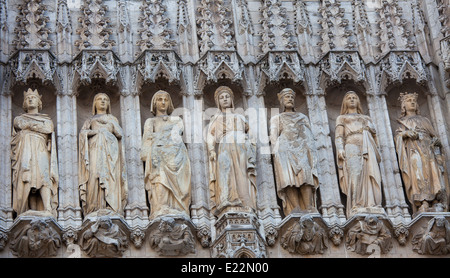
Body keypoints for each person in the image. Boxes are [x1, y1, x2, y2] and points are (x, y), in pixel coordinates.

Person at [395, 92, 449, 214]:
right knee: (418, 173)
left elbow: (435, 137)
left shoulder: (425, 120)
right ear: (403, 105)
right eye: (409, 100)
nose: (412, 102)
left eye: (414, 100)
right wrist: (406, 134)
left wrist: (436, 142)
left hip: (428, 150)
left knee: (432, 173)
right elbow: (398, 137)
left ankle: (435, 201)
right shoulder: (402, 122)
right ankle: (423, 201)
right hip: (414, 150)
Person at [140, 90, 191, 219]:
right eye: (159, 99)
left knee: (178, 182)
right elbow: (146, 143)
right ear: (154, 103)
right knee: (159, 179)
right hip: (158, 158)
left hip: (175, 157)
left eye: (165, 99)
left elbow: (176, 136)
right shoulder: (150, 122)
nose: (163, 102)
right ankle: (160, 206)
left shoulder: (176, 120)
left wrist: (157, 137)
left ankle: (178, 207)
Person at [206, 86, 257, 216]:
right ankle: (227, 201)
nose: (224, 99)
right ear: (218, 102)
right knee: (226, 172)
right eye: (221, 97)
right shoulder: (216, 118)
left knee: (241, 174)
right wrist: (211, 149)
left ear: (232, 99)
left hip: (241, 147)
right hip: (224, 146)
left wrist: (250, 141)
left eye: (227, 97)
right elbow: (210, 136)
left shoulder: (239, 116)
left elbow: (250, 130)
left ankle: (245, 202)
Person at [269, 88, 319, 216]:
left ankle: (309, 206)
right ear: (281, 101)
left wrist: (309, 150)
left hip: (301, 148)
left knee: (305, 175)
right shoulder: (277, 118)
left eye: (291, 97)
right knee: (288, 178)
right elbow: (273, 136)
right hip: (285, 149)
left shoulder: (302, 117)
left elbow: (309, 135)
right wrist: (277, 151)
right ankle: (295, 207)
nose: (290, 99)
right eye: (286, 97)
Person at [11, 88, 59, 217]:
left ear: (39, 102)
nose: (30, 99)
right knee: (27, 178)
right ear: (24, 104)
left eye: (33, 98)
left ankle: (47, 208)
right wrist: (37, 127)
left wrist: (29, 126)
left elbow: (48, 128)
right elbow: (19, 124)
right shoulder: (19, 118)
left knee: (43, 177)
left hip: (40, 150)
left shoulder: (47, 119)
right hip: (25, 151)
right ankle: (26, 209)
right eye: (27, 98)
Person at [79, 93, 128, 216]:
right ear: (94, 103)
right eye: (99, 99)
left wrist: (109, 125)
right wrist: (96, 131)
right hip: (94, 151)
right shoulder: (90, 120)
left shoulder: (112, 119)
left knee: (110, 177)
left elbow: (120, 134)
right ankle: (94, 207)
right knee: (94, 175)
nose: (102, 101)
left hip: (110, 154)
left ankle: (111, 207)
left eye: (105, 99)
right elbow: (82, 134)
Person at [335, 91, 382, 217]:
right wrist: (340, 148)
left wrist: (372, 136)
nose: (352, 100)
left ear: (358, 101)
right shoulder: (342, 118)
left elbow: (375, 136)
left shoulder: (366, 118)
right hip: (351, 146)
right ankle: (356, 204)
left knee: (370, 173)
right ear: (345, 102)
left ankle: (371, 203)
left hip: (367, 146)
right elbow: (339, 136)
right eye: (349, 98)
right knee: (355, 174)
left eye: (354, 98)